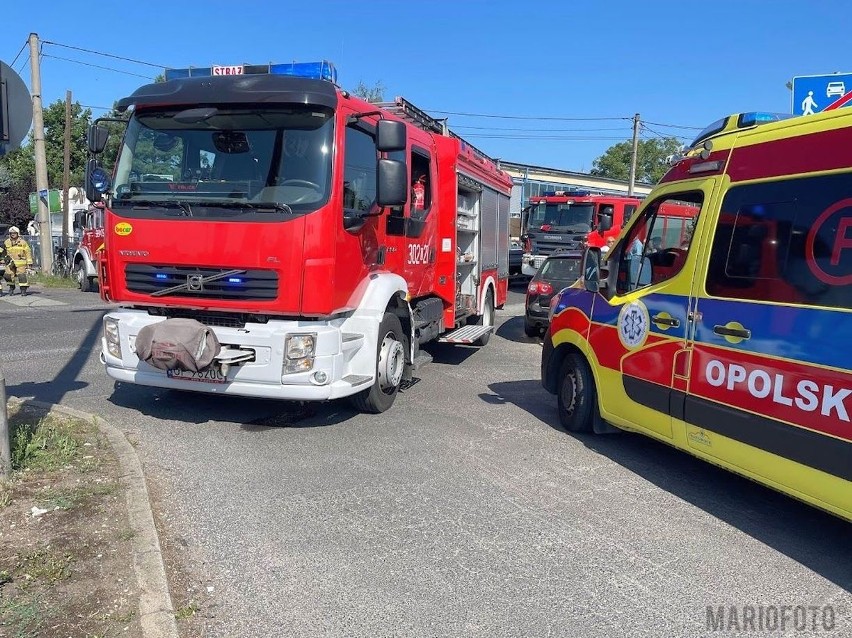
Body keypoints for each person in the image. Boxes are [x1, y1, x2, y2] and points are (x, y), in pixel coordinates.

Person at [3, 226, 33, 296]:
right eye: (11, 233)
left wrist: (29, 262)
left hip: (21, 263)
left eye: (14, 233)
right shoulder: (6, 242)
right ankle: (11, 287)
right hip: (10, 263)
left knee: (21, 276)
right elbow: (3, 251)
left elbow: (27, 252)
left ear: (18, 234)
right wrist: (4, 258)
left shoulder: (23, 242)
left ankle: (23, 290)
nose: (12, 234)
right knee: (8, 275)